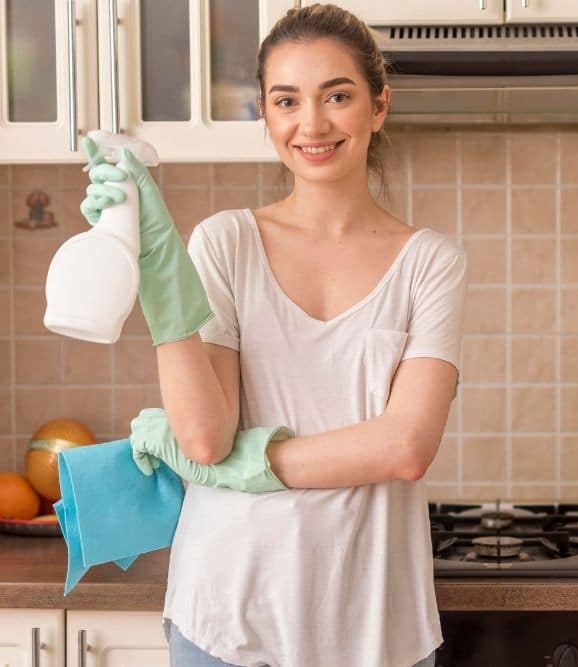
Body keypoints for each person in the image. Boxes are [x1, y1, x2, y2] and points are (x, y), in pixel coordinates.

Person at [79, 5, 466, 666]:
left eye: (336, 96)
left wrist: (243, 465)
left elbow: (405, 445)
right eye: (287, 100)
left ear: (378, 106)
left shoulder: (430, 262)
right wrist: (160, 274)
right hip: (227, 612)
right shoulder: (226, 243)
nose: (311, 124)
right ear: (266, 113)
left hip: (372, 622)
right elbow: (204, 435)